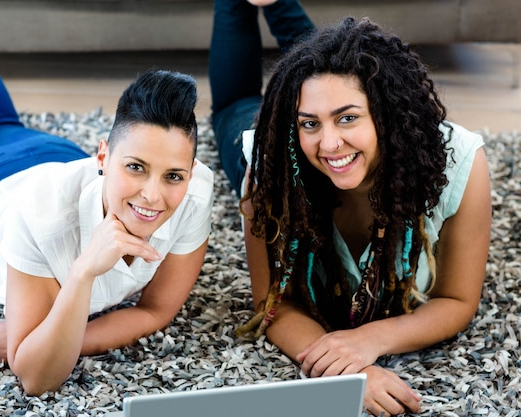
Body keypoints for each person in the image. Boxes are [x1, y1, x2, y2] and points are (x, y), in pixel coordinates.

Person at [0, 0, 214, 396]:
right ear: (103, 155)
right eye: (135, 167)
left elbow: (155, 310)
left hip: (54, 156)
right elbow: (36, 377)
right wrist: (82, 273)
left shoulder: (196, 190)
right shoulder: (41, 216)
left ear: (190, 168)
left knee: (0, 124)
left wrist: (54, 335)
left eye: (173, 175)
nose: (153, 195)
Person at [209, 1, 491, 416]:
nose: (328, 144)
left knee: (328, 68)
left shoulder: (459, 163)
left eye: (348, 118)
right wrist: (345, 372)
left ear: (386, 114)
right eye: (309, 123)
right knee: (234, 108)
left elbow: (457, 300)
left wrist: (370, 339)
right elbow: (273, 305)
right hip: (287, 165)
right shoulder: (270, 166)